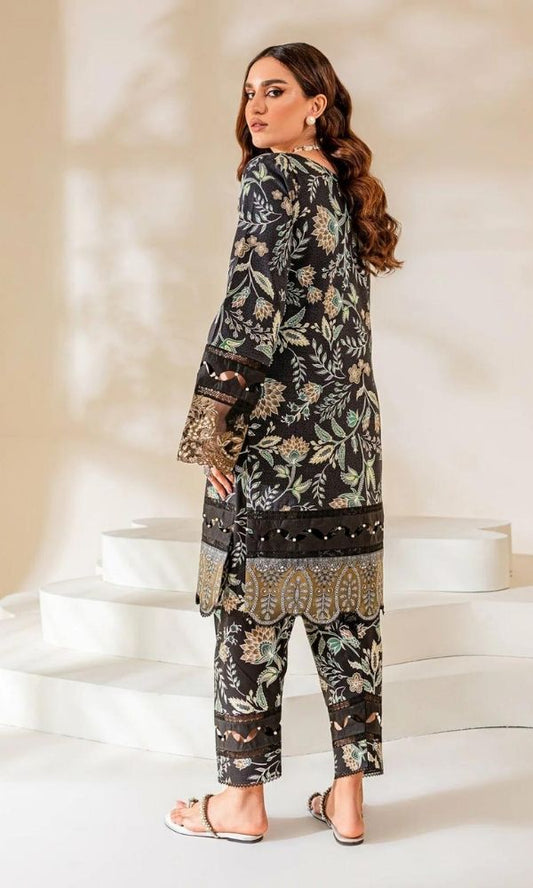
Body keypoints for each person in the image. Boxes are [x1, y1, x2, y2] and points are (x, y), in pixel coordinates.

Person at [167, 42, 402, 844]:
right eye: (248, 94)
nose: (256, 107)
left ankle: (239, 803)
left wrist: (213, 427)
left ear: (315, 104)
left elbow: (250, 307)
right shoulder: (340, 188)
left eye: (274, 91)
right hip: (349, 443)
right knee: (346, 617)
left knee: (249, 613)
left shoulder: (272, 178)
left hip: (277, 443)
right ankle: (348, 799)